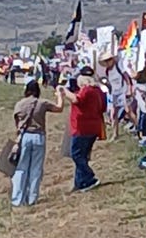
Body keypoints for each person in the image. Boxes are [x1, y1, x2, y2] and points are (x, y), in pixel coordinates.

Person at [11, 77, 64, 206]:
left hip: (24, 136)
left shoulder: (19, 104)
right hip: (38, 136)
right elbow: (59, 108)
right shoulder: (42, 103)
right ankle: (32, 198)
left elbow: (17, 124)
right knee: (36, 168)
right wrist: (60, 95)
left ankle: (17, 199)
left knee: (21, 168)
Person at [60, 65, 107, 192]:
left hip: (83, 128)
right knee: (82, 155)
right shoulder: (98, 91)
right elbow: (103, 107)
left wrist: (64, 91)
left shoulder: (87, 90)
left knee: (76, 155)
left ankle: (89, 178)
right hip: (93, 127)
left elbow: (76, 100)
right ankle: (80, 182)